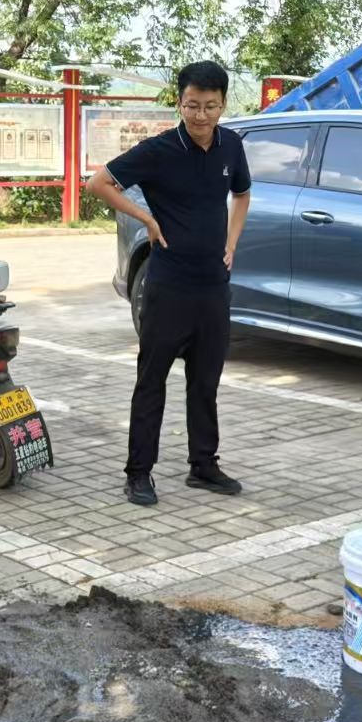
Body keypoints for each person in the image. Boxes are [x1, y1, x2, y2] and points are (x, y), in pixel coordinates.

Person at [85, 61, 252, 507]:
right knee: (152, 380)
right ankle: (139, 472)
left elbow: (242, 194)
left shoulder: (231, 146)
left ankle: (204, 465)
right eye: (192, 105)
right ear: (179, 103)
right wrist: (145, 218)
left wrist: (231, 243)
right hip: (168, 287)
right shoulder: (158, 150)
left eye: (210, 106)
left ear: (223, 105)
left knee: (206, 381)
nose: (201, 115)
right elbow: (99, 183)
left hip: (213, 286)